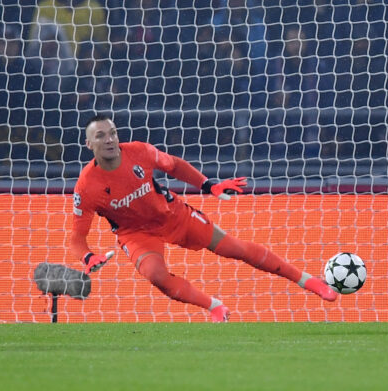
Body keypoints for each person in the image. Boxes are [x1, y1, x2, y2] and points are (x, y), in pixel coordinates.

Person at [69, 115, 338, 322]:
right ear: (89, 144)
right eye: (101, 136)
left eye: (112, 133)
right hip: (135, 234)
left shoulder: (139, 151)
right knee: (156, 275)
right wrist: (89, 258)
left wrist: (208, 185)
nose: (109, 140)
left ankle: (311, 282)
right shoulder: (86, 186)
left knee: (235, 249)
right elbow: (77, 239)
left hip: (171, 214)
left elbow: (174, 166)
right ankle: (215, 307)